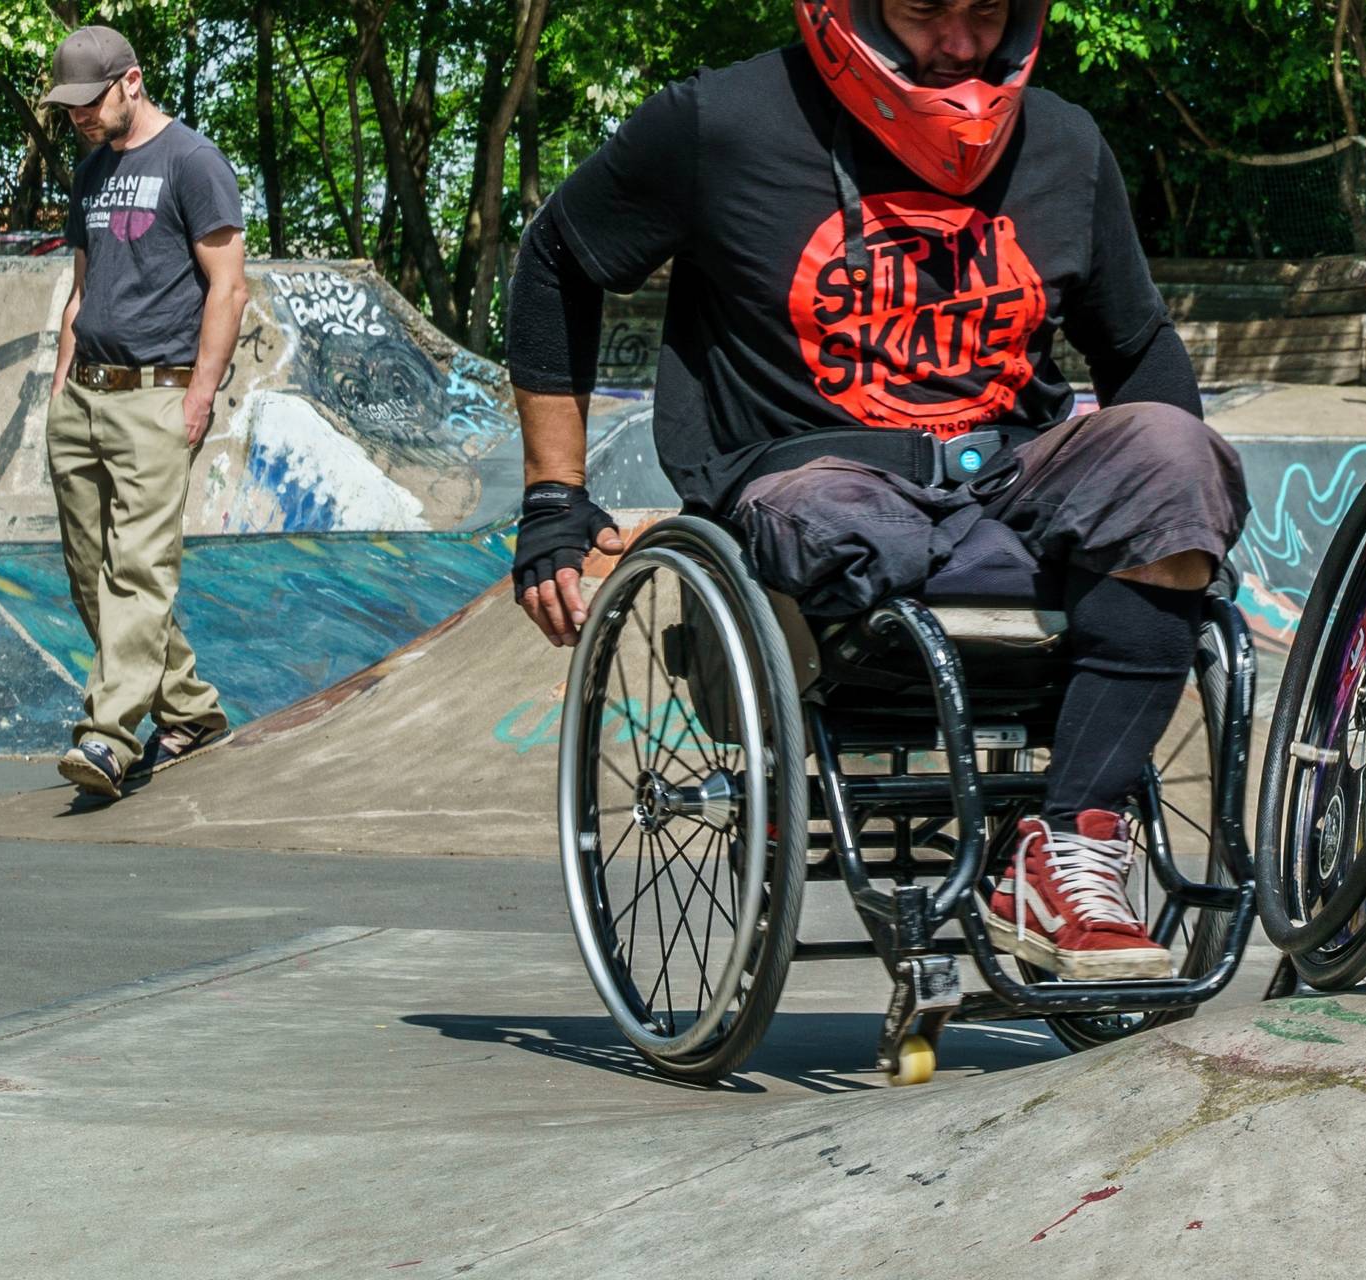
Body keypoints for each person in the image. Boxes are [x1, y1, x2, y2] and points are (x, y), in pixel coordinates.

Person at [505, 0, 1244, 980]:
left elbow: (1138, 345)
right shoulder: (721, 123)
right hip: (818, 479)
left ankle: (1063, 850)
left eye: (985, 13)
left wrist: (1176, 531)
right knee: (832, 514)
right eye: (923, 10)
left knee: (1175, 454)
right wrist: (555, 498)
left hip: (1009, 472)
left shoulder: (1066, 142)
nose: (957, 43)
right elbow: (558, 254)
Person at [40, 24, 246, 799]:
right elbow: (84, 286)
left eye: (90, 102)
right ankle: (191, 710)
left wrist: (199, 395)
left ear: (130, 82)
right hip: (84, 395)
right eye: (68, 109)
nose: (80, 118)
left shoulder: (193, 162)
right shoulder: (90, 171)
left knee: (138, 570)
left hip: (159, 393)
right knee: (89, 575)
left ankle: (107, 736)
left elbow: (228, 287)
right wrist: (61, 388)